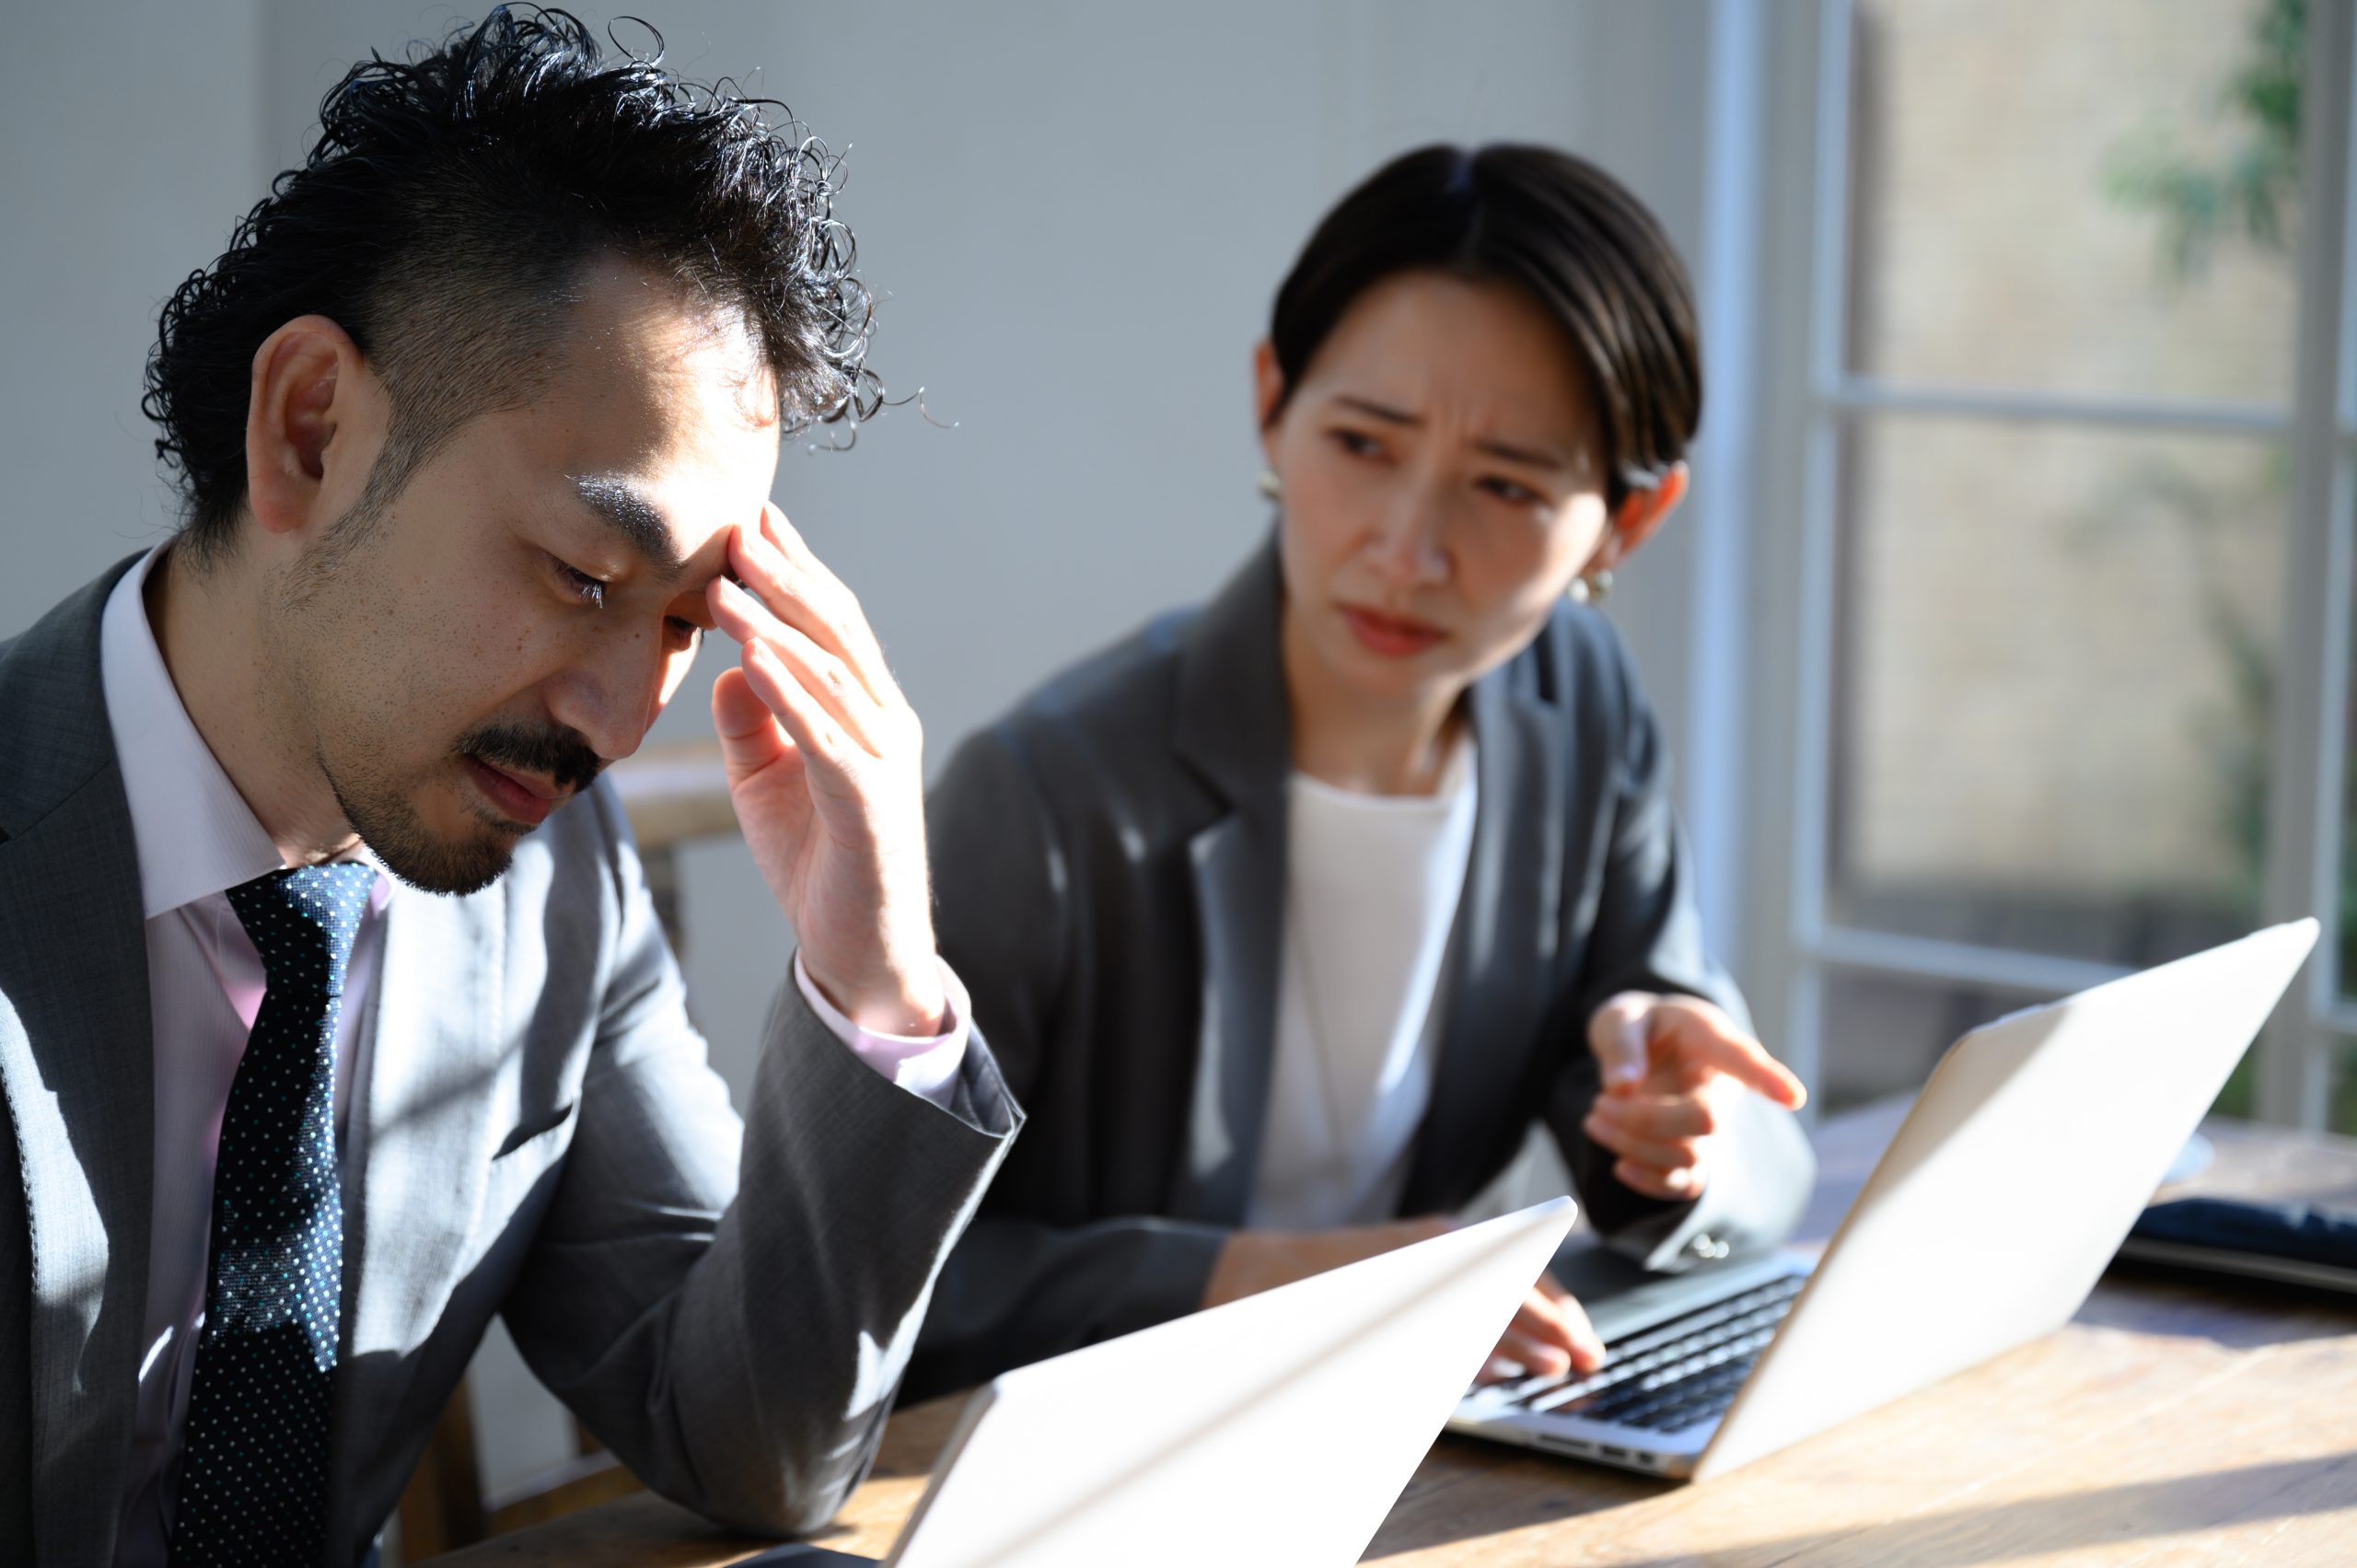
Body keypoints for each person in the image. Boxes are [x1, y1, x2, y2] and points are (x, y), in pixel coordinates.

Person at [0, 12, 1017, 1565]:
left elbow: (748, 1439)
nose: (618, 719)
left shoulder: (552, 881)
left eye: (684, 623)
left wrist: (874, 976)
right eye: (582, 574)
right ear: (310, 432)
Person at [909, 144, 1815, 1402]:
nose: (1408, 549)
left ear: (1627, 522)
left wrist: (1684, 1137)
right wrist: (1273, 1284)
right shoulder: (1049, 795)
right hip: (1100, 1453)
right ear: (1273, 405)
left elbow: (1749, 1139)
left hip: (1417, 1439)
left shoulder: (1580, 709)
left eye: (1505, 485)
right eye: (1363, 443)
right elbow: (877, 1292)